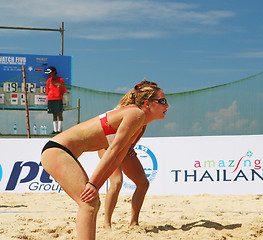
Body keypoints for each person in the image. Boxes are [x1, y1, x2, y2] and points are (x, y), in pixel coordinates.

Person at [41, 81, 169, 240]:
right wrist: (93, 184)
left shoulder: (139, 122)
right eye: (162, 101)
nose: (167, 105)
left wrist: (95, 185)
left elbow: (117, 158)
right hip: (57, 150)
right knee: (89, 204)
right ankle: (107, 223)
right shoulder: (136, 114)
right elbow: (113, 150)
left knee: (93, 203)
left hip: (61, 150)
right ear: (147, 104)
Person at [98, 81, 158, 229]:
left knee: (143, 183)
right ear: (146, 99)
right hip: (106, 145)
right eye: (158, 98)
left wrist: (132, 145)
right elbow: (110, 136)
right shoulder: (125, 110)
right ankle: (106, 224)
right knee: (117, 181)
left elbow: (142, 129)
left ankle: (134, 223)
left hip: (123, 145)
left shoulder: (144, 114)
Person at [45, 66, 67, 134]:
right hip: (51, 99)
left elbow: (63, 90)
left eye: (50, 73)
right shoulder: (48, 80)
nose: (49, 75)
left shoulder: (60, 80)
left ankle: (59, 130)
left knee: (59, 114)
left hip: (58, 99)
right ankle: (55, 130)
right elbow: (48, 91)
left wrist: (59, 96)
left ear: (54, 72)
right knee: (54, 115)